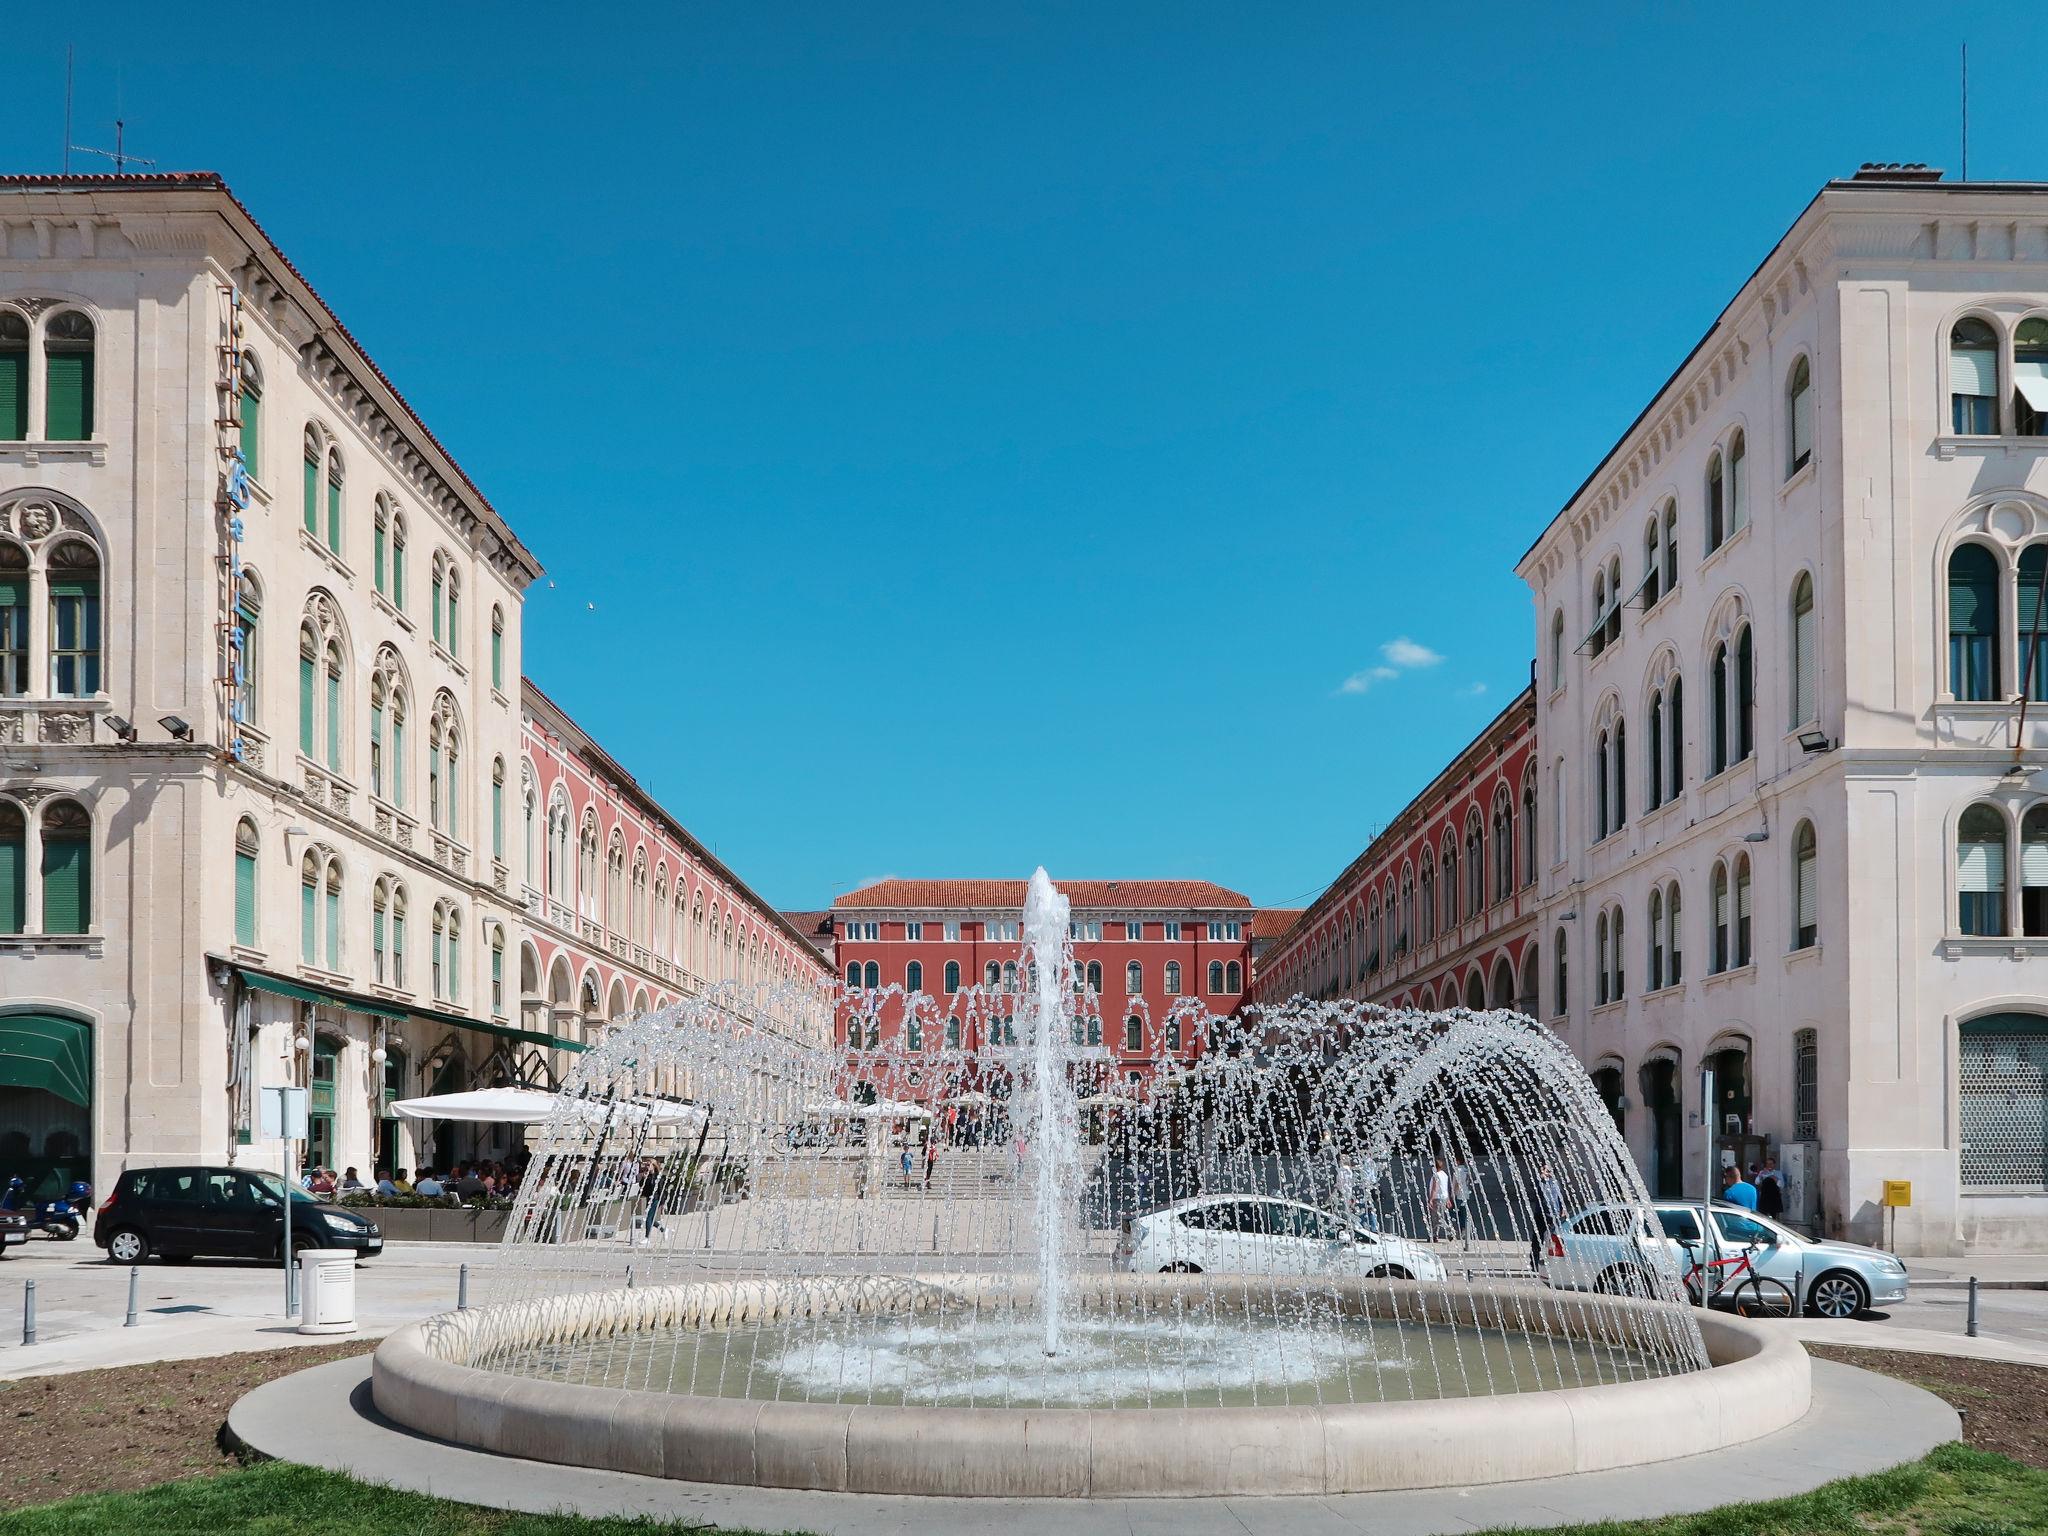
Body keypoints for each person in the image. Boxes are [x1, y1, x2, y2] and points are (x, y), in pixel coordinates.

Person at [1530, 1163, 1564, 1268]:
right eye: (1544, 1170)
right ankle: (1534, 1262)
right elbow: (1536, 1189)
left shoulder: (1555, 1182)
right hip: (1541, 1214)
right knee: (1538, 1239)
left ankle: (1554, 1263)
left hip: (1554, 1215)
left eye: (1548, 1170)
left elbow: (1559, 1196)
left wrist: (1562, 1209)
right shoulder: (1539, 1182)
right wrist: (1541, 1178)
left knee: (1554, 1239)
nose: (1546, 1172)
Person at [1428, 1158, 1452, 1241]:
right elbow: (1445, 1187)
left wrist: (1431, 1199)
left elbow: (1435, 1188)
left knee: (1437, 1218)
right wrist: (1448, 1199)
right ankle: (1434, 1236)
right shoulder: (1444, 1175)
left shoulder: (1436, 1175)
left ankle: (1450, 1230)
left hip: (1437, 1198)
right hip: (1444, 1198)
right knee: (1437, 1218)